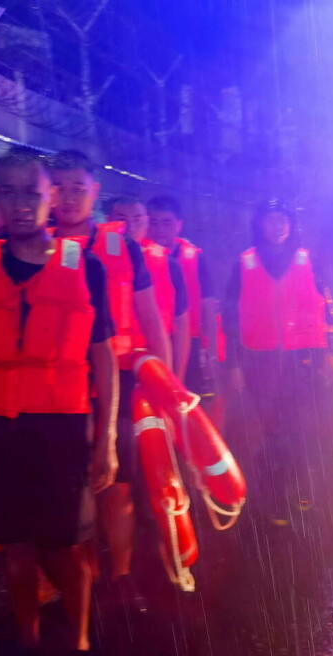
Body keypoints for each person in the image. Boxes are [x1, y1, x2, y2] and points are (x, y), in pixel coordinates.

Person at [0, 146, 118, 656]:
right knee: (15, 550)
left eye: (34, 191)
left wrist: (109, 439)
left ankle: (78, 649)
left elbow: (103, 357)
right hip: (1, 429)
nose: (22, 204)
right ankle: (26, 647)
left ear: (54, 195)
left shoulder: (86, 265)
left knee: (65, 548)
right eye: (9, 192)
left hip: (61, 429)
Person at [48, 153, 170, 611]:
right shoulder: (28, 246)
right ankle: (81, 578)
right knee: (69, 486)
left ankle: (119, 577)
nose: (67, 197)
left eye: (77, 187)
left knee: (116, 486)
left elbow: (151, 320)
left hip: (115, 381)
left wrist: (165, 389)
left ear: (94, 193)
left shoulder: (124, 248)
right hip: (54, 386)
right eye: (58, 187)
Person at [223, 200, 333, 526]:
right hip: (261, 360)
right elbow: (230, 318)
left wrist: (329, 352)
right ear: (260, 224)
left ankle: (300, 487)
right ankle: (273, 495)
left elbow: (324, 308)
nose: (277, 226)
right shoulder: (244, 263)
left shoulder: (309, 260)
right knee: (271, 431)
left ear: (291, 224)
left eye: (283, 220)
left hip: (303, 358)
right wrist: (233, 365)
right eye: (271, 220)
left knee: (300, 427)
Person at [104, 192, 190, 604]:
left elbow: (173, 323)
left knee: (154, 471)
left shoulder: (165, 262)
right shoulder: (89, 256)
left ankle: (161, 549)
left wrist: (171, 385)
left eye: (137, 218)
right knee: (120, 477)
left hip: (147, 378)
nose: (131, 226)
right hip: (109, 377)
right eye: (121, 218)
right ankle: (120, 572)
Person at [147, 196, 220, 394]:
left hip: (190, 341)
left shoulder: (195, 257)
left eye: (166, 223)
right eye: (153, 223)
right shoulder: (138, 256)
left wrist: (211, 353)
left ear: (179, 225)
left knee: (189, 400)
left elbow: (208, 306)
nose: (159, 229)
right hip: (149, 341)